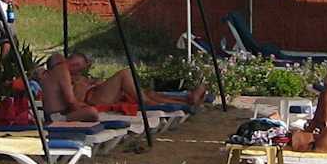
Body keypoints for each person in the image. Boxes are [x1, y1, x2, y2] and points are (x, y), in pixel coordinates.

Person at [39, 51, 204, 122]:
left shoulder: (71, 75)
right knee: (125, 74)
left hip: (97, 93)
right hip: (93, 98)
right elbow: (73, 100)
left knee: (148, 93)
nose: (76, 69)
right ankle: (151, 102)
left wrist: (93, 82)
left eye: (79, 66)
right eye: (74, 65)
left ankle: (186, 99)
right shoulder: (60, 75)